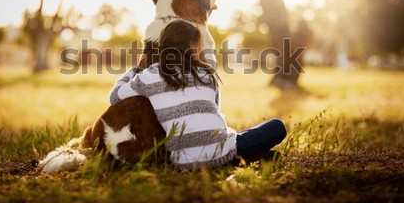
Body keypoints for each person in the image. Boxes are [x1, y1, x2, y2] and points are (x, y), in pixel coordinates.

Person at [109, 21, 286, 170]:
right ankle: (239, 157)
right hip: (221, 149)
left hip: (183, 161)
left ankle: (241, 158)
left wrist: (135, 70)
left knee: (229, 141)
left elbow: (115, 96)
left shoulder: (149, 75)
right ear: (193, 45)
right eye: (200, 46)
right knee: (277, 126)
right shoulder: (205, 73)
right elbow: (214, 114)